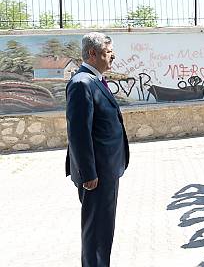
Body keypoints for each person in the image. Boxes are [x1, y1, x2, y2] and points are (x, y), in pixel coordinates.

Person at [65, 32, 130, 267]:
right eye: (108, 52)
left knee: (104, 229)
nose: (113, 57)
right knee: (96, 232)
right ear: (92, 53)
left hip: (107, 170)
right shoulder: (82, 83)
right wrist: (89, 174)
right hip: (97, 175)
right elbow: (79, 133)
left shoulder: (96, 80)